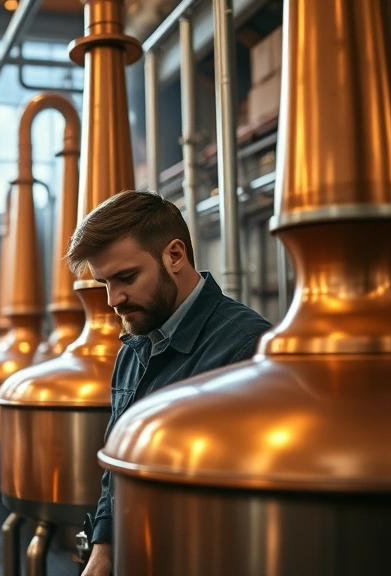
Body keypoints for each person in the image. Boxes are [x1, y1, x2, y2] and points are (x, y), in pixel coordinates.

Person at [66, 190, 273, 576]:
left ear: (175, 255)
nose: (114, 299)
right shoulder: (133, 346)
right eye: (104, 283)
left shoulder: (247, 348)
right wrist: (104, 546)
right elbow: (117, 468)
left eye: (126, 277)